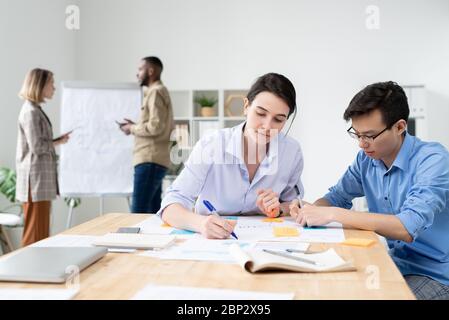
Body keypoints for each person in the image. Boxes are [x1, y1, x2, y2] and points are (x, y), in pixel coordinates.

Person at [290, 81, 449, 300]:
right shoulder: (367, 160)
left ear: (400, 127)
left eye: (370, 135)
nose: (362, 144)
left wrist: (335, 214)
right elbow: (336, 197)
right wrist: (310, 211)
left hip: (436, 274)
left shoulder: (432, 160)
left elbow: (407, 226)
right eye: (357, 134)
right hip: (395, 262)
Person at [157, 73, 305, 239]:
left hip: (263, 240)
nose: (267, 126)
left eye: (278, 120)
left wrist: (278, 210)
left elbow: (292, 204)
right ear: (246, 106)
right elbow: (170, 205)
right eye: (261, 114)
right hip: (212, 240)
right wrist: (200, 224)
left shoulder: (291, 152)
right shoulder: (212, 145)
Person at [16, 68, 70, 246]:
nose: (53, 88)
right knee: (35, 234)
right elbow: (37, 146)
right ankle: (27, 271)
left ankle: (36, 270)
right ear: (39, 85)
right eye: (51, 84)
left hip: (40, 181)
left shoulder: (35, 110)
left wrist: (57, 141)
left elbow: (38, 142)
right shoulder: (30, 112)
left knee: (41, 233)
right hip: (35, 181)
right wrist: (55, 143)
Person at [119, 56, 174, 214]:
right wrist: (134, 126)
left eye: (140, 69)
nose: (137, 74)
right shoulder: (158, 91)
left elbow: (155, 127)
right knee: (152, 213)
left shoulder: (155, 92)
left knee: (138, 213)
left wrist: (132, 128)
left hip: (149, 159)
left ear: (151, 71)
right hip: (155, 160)